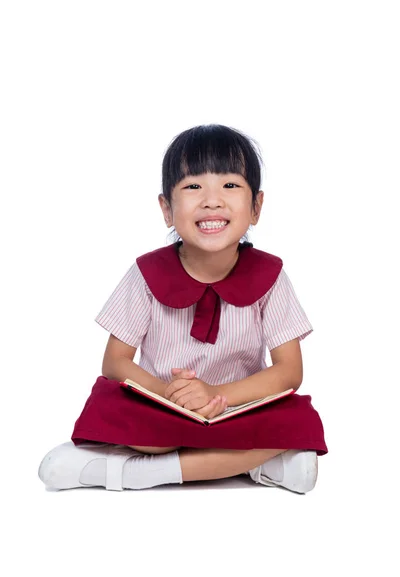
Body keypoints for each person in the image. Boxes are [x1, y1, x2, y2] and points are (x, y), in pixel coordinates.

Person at [38, 124, 328, 494]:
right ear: (166, 208)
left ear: (256, 207)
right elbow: (115, 362)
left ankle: (140, 472)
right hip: (161, 406)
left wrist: (216, 395)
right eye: (193, 187)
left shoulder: (270, 276)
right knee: (122, 414)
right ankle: (253, 466)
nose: (212, 200)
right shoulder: (146, 272)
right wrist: (170, 394)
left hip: (237, 406)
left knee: (297, 421)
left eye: (230, 185)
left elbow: (289, 372)